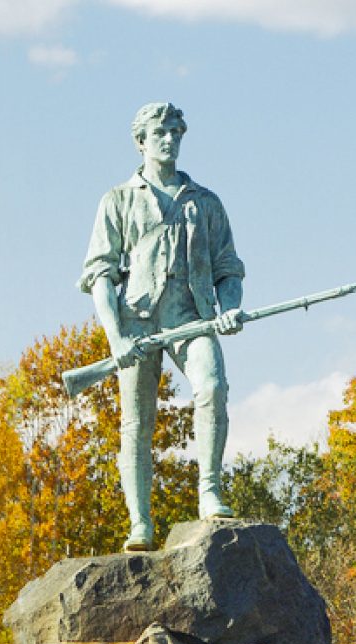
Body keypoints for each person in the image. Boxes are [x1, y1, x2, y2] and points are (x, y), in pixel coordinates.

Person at [80, 102, 246, 551]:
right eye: (160, 132)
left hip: (192, 315)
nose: (169, 139)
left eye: (176, 131)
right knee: (136, 422)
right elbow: (100, 275)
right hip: (136, 323)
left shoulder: (205, 202)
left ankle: (209, 491)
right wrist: (117, 338)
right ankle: (140, 523)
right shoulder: (117, 200)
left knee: (212, 385)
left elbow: (228, 269)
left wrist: (229, 307)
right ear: (140, 141)